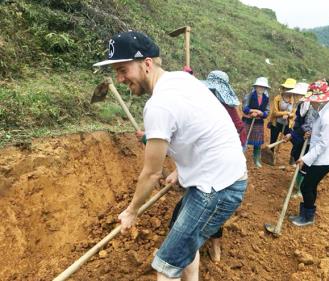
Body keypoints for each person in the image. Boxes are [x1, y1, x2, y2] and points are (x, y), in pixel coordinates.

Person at [93, 31, 248, 281]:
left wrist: (132, 211)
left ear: (147, 64)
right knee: (184, 244)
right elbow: (197, 129)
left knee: (166, 265)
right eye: (117, 72)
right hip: (220, 177)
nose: (120, 79)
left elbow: (152, 172)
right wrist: (181, 170)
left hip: (216, 189)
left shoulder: (159, 104)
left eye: (123, 70)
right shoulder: (180, 80)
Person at [201, 70, 246, 262]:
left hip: (223, 160)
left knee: (213, 200)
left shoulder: (225, 108)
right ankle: (206, 239)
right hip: (212, 159)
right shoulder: (205, 105)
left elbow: (238, 133)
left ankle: (214, 243)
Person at [289, 80, 329, 227]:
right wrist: (313, 133)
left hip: (325, 159)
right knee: (311, 185)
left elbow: (323, 144)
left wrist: (305, 159)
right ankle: (305, 214)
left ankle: (307, 217)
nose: (311, 103)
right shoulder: (325, 111)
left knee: (306, 186)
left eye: (313, 100)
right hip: (323, 157)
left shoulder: (327, 117)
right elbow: (322, 136)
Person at [282, 82, 313, 196]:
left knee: (306, 163)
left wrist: (306, 132)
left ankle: (301, 189)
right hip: (301, 135)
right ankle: (297, 186)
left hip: (311, 139)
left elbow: (311, 124)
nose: (296, 97)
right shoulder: (301, 105)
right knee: (298, 157)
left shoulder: (312, 106)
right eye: (296, 94)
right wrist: (292, 134)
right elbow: (298, 122)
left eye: (299, 95)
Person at [242, 77, 270, 167]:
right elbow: (244, 108)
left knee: (258, 142)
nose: (261, 88)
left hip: (258, 122)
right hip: (248, 121)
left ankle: (256, 159)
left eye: (263, 87)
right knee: (243, 139)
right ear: (256, 87)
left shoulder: (266, 98)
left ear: (265, 88)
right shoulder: (249, 95)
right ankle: (240, 157)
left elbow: (267, 111)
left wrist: (261, 113)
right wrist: (251, 111)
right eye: (259, 86)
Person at [268, 78, 297, 149]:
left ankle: (292, 158)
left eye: (290, 89)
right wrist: (285, 113)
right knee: (273, 142)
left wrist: (289, 115)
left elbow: (294, 113)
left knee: (294, 140)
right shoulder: (277, 98)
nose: (288, 91)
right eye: (287, 88)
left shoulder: (294, 100)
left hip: (287, 125)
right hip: (276, 123)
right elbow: (274, 113)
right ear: (283, 89)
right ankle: (270, 158)